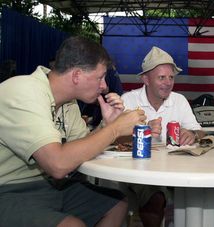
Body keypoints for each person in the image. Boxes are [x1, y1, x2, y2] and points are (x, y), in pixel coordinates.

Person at [0, 36, 147, 227]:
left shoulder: (67, 103)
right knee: (73, 225)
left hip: (48, 184)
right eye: (100, 77)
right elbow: (58, 164)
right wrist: (114, 129)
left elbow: (81, 148)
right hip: (8, 190)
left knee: (117, 204)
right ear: (77, 75)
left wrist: (106, 124)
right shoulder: (23, 92)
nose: (105, 86)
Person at [121, 46, 205, 227]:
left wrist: (191, 134)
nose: (168, 82)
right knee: (155, 198)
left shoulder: (179, 100)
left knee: (198, 190)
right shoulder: (128, 100)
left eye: (171, 77)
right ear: (145, 79)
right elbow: (113, 139)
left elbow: (200, 132)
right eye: (161, 77)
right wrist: (142, 130)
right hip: (139, 172)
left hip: (176, 170)